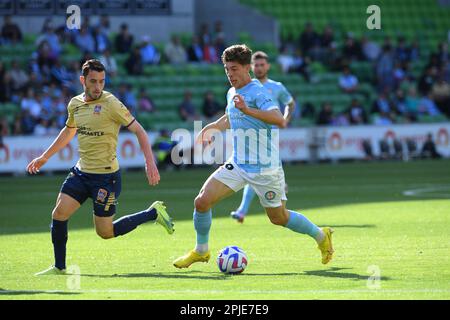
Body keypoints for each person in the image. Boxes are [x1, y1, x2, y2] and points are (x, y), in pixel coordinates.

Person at [172, 45, 334, 269]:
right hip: (238, 164)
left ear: (247, 68)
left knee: (279, 218)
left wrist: (249, 110)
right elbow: (228, 118)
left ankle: (321, 236)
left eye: (235, 69)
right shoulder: (232, 92)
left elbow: (278, 119)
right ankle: (201, 251)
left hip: (266, 168)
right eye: (227, 69)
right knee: (202, 202)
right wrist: (210, 131)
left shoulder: (258, 92)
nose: (230, 74)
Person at [27, 59, 174, 276]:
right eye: (93, 81)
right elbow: (69, 131)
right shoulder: (75, 104)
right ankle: (59, 267)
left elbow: (140, 131)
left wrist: (150, 162)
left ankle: (152, 213)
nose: (98, 87)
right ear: (82, 80)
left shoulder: (111, 103)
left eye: (102, 81)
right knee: (59, 214)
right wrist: (45, 157)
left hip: (106, 178)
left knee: (105, 232)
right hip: (80, 172)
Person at [229, 50, 296, 223]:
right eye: (255, 65)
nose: (258, 68)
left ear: (268, 66)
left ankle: (245, 209)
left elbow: (290, 103)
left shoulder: (276, 87)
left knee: (258, 170)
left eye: (262, 65)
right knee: (253, 169)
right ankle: (243, 210)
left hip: (269, 133)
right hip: (250, 133)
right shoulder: (242, 87)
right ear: (250, 67)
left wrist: (285, 119)